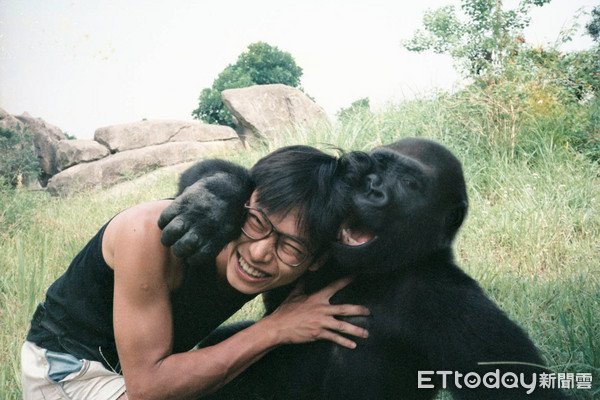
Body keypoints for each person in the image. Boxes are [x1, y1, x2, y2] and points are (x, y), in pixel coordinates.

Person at [21, 146, 371, 400]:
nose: (260, 252)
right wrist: (276, 328)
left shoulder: (297, 261)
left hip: (150, 369)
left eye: (290, 247)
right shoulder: (146, 234)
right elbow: (149, 389)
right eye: (257, 222)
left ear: (316, 259)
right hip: (68, 369)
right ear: (243, 202)